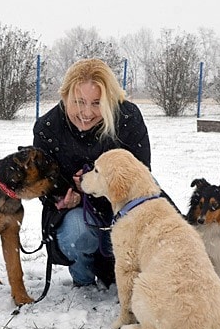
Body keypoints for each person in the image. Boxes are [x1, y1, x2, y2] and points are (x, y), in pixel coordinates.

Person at [33, 58, 177, 288]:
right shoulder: (48, 127)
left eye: (97, 103)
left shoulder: (127, 118)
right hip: (78, 211)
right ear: (65, 96)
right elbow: (44, 184)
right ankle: (84, 277)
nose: (87, 112)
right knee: (75, 233)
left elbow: (141, 173)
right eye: (79, 102)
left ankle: (143, 270)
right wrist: (64, 198)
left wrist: (98, 186)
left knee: (155, 207)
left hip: (123, 202)